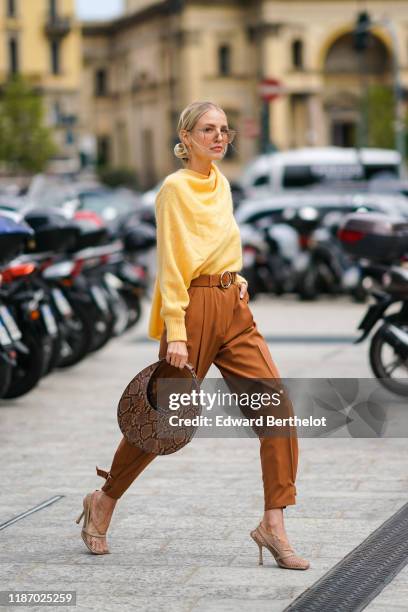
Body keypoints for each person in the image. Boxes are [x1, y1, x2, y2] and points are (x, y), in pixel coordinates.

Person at [76, 101, 310, 570]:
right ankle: (104, 499)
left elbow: (219, 243)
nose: (219, 137)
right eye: (208, 129)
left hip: (232, 307)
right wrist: (176, 331)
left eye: (224, 130)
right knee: (163, 419)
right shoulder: (174, 189)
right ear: (185, 137)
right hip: (192, 310)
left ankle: (274, 524)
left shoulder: (220, 182)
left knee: (276, 409)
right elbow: (173, 265)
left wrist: (235, 276)